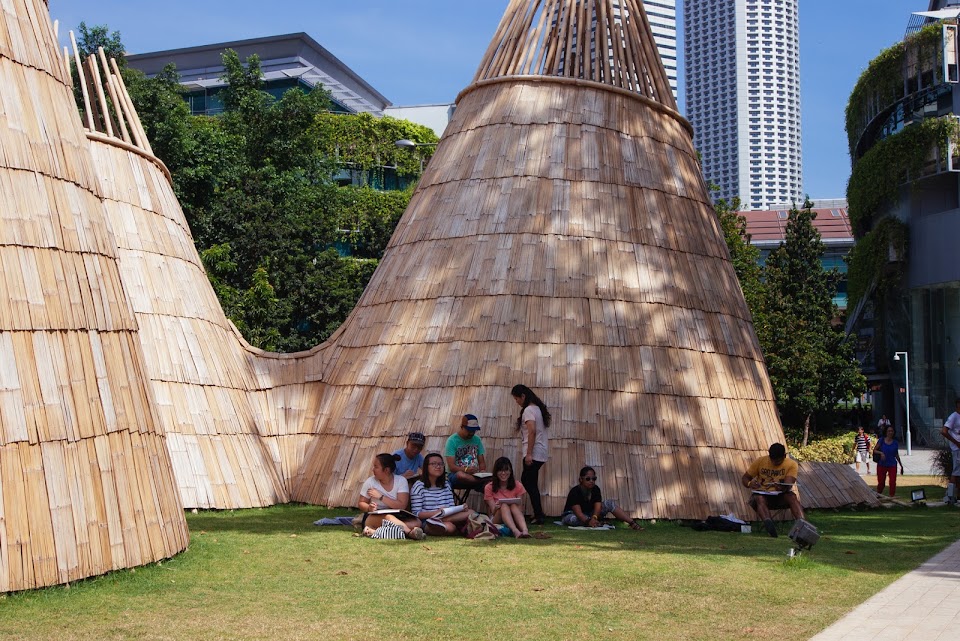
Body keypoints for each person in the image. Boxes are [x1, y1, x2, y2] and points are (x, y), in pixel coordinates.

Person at [741, 443, 805, 538]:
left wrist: (782, 487)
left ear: (784, 456)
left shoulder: (791, 464)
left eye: (778, 461)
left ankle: (802, 526)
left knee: (792, 496)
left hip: (780, 496)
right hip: (762, 496)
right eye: (772, 460)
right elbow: (745, 478)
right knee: (759, 498)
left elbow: (788, 484)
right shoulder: (760, 461)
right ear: (769, 455)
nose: (775, 463)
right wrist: (750, 484)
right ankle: (769, 525)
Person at [357, 453, 425, 540]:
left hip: (397, 516)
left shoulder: (401, 481)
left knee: (417, 522)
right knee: (388, 517)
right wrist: (369, 508)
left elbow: (402, 505)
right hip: (374, 517)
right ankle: (409, 532)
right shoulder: (370, 482)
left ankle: (376, 532)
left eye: (376, 467)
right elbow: (361, 503)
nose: (373, 470)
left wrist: (381, 497)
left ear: (386, 470)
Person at [511, 384, 550, 525]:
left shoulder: (528, 410)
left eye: (517, 399)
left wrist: (528, 454)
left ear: (523, 396)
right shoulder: (537, 409)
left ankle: (538, 514)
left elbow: (532, 431)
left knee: (527, 481)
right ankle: (538, 513)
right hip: (540, 451)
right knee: (531, 482)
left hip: (533, 451)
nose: (517, 402)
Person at [410, 453, 476, 535]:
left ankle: (441, 522)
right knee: (450, 527)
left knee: (471, 512)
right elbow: (417, 513)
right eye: (434, 464)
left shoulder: (446, 485)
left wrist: (461, 508)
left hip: (446, 517)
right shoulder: (419, 486)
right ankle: (435, 524)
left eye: (441, 464)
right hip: (427, 519)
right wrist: (436, 512)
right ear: (426, 467)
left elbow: (451, 507)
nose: (438, 466)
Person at [561, 466, 643, 530]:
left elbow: (598, 506)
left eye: (594, 478)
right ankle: (596, 523)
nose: (591, 481)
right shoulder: (575, 491)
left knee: (609, 503)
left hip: (590, 515)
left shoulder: (596, 489)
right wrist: (588, 521)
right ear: (581, 479)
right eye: (588, 479)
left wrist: (594, 517)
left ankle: (632, 523)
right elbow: (578, 513)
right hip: (573, 514)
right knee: (574, 519)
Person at [484, 457, 530, 538]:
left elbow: (520, 509)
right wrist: (497, 507)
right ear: (496, 472)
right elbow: (492, 511)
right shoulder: (489, 487)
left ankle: (525, 530)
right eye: (500, 470)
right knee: (504, 505)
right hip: (496, 518)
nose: (503, 473)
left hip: (514, 515)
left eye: (506, 470)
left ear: (510, 471)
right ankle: (515, 531)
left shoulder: (518, 485)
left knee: (513, 505)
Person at [444, 414, 488, 490]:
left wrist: (482, 471)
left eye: (473, 431)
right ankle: (478, 481)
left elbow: (482, 462)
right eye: (469, 430)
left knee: (490, 486)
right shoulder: (452, 441)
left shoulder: (477, 440)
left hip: (474, 475)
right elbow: (452, 467)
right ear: (462, 427)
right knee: (461, 475)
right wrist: (466, 470)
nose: (471, 433)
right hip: (455, 476)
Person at [873, 425, 904, 497]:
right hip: (882, 464)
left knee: (893, 482)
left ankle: (892, 496)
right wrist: (881, 453)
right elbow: (874, 450)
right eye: (889, 431)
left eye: (892, 431)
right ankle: (878, 494)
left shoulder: (895, 442)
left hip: (892, 464)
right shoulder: (881, 440)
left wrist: (901, 465)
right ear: (886, 432)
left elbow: (896, 454)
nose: (890, 432)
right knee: (881, 482)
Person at [941, 398, 960, 505]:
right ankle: (950, 495)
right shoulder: (953, 417)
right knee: (956, 471)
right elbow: (944, 431)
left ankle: (957, 495)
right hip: (957, 449)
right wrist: (956, 442)